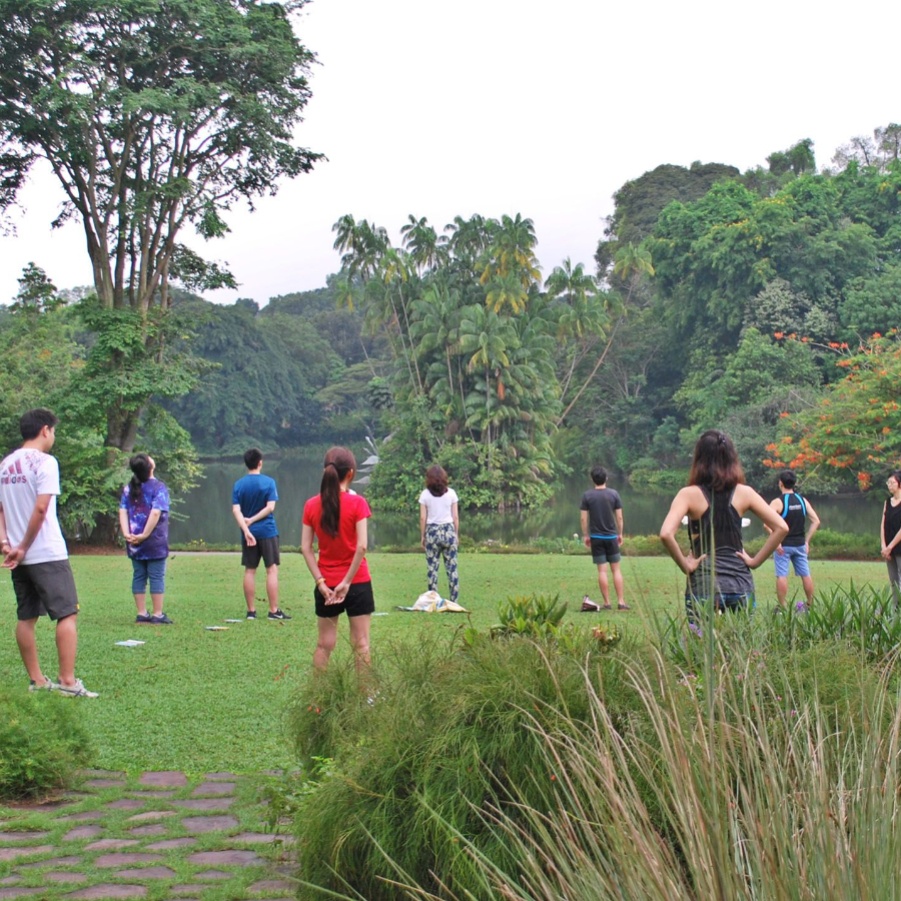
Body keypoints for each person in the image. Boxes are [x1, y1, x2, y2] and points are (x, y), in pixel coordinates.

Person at [0, 408, 97, 696]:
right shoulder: (45, 463)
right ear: (45, 430)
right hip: (46, 553)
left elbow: (2, 509)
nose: (53, 436)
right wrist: (24, 546)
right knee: (67, 613)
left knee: (26, 616)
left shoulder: (6, 464)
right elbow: (41, 508)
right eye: (53, 431)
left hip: (19, 557)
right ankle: (67, 681)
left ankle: (37, 681)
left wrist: (7, 544)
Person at [659, 429, 788, 620]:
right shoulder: (746, 493)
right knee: (739, 646)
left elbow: (666, 534)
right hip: (740, 585)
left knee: (702, 646)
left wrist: (685, 565)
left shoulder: (687, 495)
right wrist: (754, 561)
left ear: (699, 458)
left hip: (703, 587)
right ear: (731, 458)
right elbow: (781, 527)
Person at [301, 447, 373, 674]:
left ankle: (317, 700)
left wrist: (321, 583)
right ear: (350, 473)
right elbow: (361, 546)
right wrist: (348, 582)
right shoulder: (358, 503)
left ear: (326, 471)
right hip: (357, 582)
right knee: (361, 644)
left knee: (324, 644)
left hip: (327, 585)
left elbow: (305, 548)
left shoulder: (311, 505)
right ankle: (366, 700)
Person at [231, 448, 290, 620]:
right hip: (267, 531)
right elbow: (270, 507)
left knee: (250, 570)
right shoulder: (269, 482)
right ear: (260, 463)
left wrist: (247, 528)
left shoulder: (238, 484)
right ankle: (273, 610)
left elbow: (236, 510)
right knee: (271, 570)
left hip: (248, 534)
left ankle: (251, 611)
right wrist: (254, 520)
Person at [118, 453, 172, 624]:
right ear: (150, 466)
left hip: (133, 541)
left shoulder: (129, 487)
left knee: (139, 575)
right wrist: (145, 535)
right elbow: (156, 512)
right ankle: (157, 614)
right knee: (156, 576)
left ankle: (141, 613)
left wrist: (127, 534)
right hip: (153, 540)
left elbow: (123, 510)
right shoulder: (159, 488)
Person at [767, 468, 820, 608]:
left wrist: (776, 541)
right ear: (794, 483)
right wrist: (807, 541)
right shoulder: (802, 500)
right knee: (805, 574)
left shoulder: (777, 502)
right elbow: (816, 521)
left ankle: (782, 606)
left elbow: (766, 523)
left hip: (783, 546)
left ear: (780, 483)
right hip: (800, 544)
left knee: (781, 575)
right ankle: (810, 603)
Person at [579, 465, 628, 610]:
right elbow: (619, 517)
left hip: (596, 537)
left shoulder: (587, 496)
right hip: (611, 536)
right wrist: (620, 533)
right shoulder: (614, 494)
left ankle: (607, 603)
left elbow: (583, 519)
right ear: (606, 478)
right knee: (616, 570)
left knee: (602, 571)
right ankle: (621, 602)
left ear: (592, 479)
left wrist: (586, 535)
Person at [418, 465, 460, 604]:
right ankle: (454, 600)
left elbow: (423, 518)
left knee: (432, 569)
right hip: (448, 530)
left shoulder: (425, 495)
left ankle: (432, 600)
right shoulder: (452, 493)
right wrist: (456, 534)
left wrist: (423, 536)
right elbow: (455, 517)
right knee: (452, 568)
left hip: (432, 531)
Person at [880, 470, 901, 606]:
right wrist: (883, 546)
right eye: (888, 482)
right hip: (888, 548)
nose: (889, 485)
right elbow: (883, 524)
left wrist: (890, 546)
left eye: (892, 482)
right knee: (893, 582)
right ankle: (895, 612)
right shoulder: (887, 502)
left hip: (898, 547)